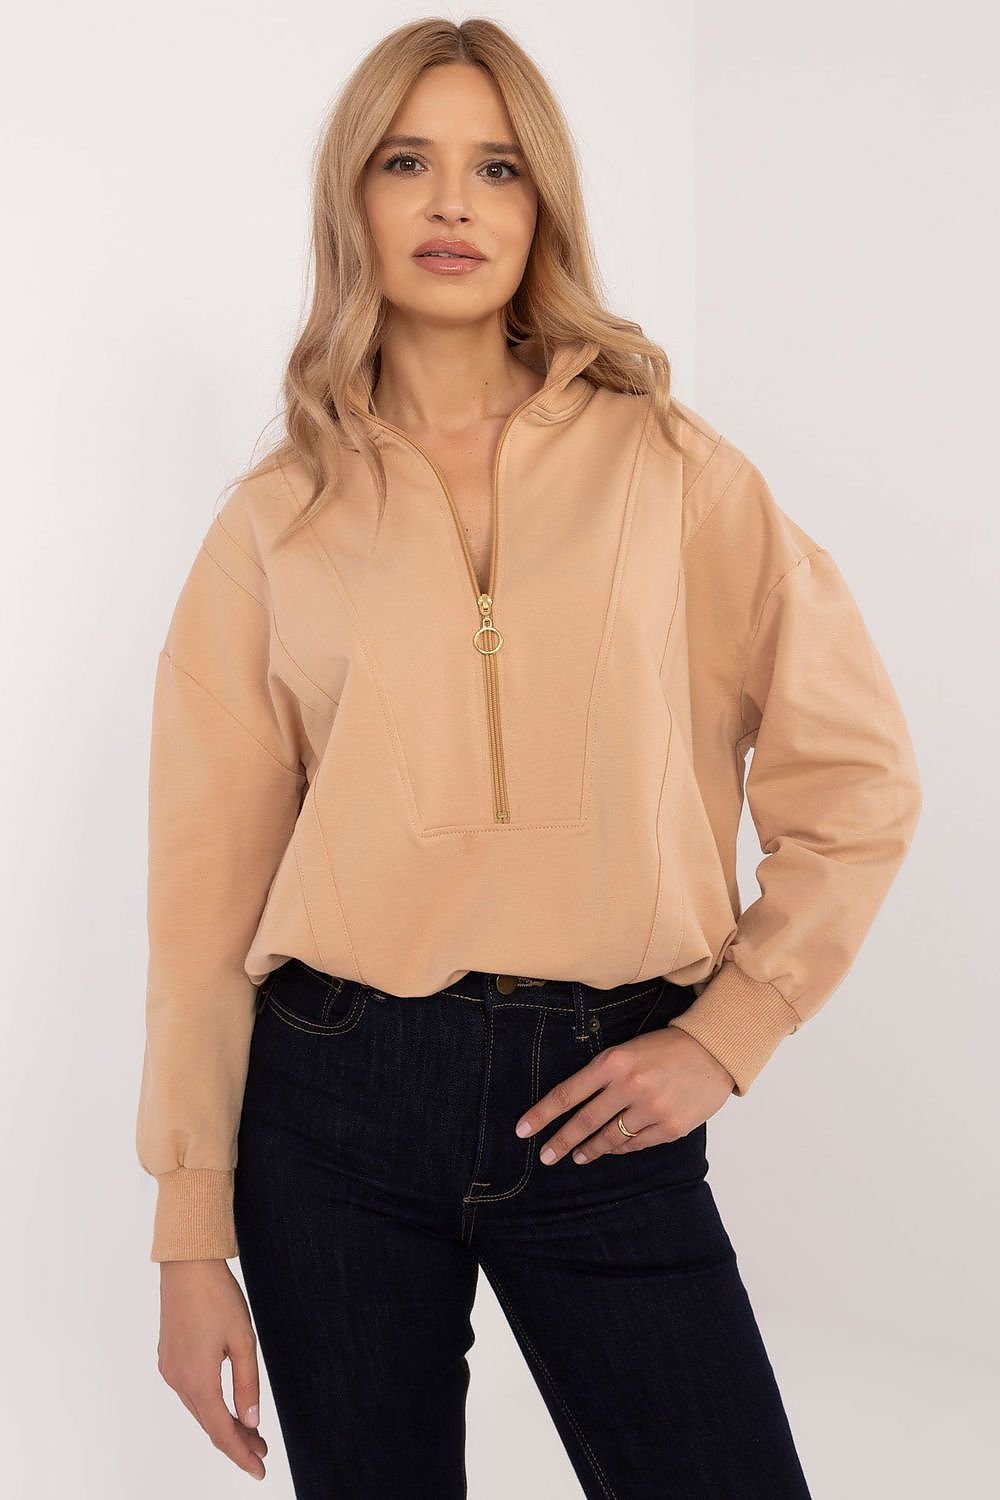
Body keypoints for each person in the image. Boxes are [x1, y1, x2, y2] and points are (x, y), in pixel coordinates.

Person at [136, 17, 922, 1499]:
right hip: (334, 1105)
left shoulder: (676, 473)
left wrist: (729, 1031)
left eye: (496, 167)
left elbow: (858, 782)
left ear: (542, 201)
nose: (452, 202)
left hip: (605, 1090)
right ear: (352, 200)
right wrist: (190, 1236)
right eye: (407, 162)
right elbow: (201, 903)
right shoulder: (275, 520)